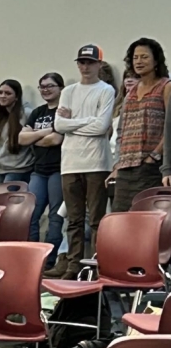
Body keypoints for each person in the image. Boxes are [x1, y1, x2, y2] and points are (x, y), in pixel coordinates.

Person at [54, 45, 116, 279]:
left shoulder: (106, 90)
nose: (85, 66)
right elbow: (58, 125)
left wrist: (75, 123)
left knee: (98, 219)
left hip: (97, 163)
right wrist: (89, 120)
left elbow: (102, 128)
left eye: (90, 62)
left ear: (99, 64)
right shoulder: (68, 91)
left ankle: (100, 264)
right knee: (74, 219)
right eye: (81, 62)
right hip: (70, 162)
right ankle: (73, 265)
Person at [110, 38, 169, 211]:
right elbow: (122, 130)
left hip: (151, 167)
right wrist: (118, 164)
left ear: (156, 60)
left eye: (144, 57)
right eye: (135, 57)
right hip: (126, 168)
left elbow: (170, 127)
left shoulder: (166, 87)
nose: (139, 61)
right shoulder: (131, 92)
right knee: (119, 219)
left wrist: (154, 156)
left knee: (147, 219)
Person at [21, 73, 65, 271]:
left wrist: (34, 137)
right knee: (31, 214)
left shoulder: (64, 112)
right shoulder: (38, 112)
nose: (46, 90)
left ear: (61, 88)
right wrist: (45, 133)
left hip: (58, 170)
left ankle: (49, 261)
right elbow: (21, 139)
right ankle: (31, 257)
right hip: (38, 170)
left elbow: (56, 140)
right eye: (42, 87)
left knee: (56, 217)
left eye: (50, 86)